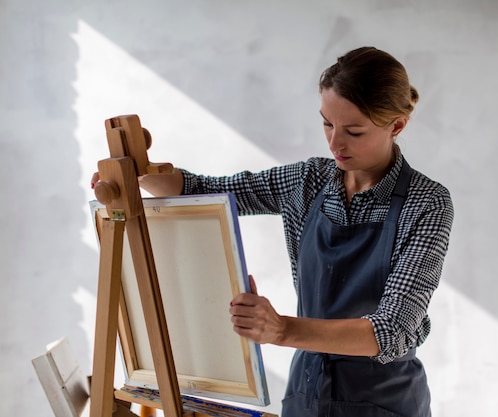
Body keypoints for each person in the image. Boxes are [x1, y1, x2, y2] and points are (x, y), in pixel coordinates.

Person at [92, 46, 453, 417]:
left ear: (397, 125)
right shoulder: (308, 181)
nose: (334, 143)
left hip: (385, 403)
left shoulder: (426, 204)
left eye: (354, 131)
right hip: (306, 395)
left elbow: (392, 331)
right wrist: (136, 174)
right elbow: (205, 191)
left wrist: (280, 330)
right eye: (327, 123)